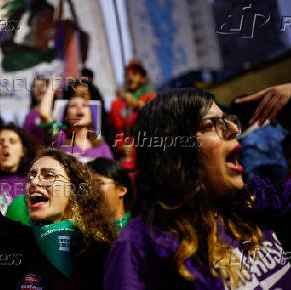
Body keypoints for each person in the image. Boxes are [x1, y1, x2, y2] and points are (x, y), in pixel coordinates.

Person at [0, 55, 115, 289]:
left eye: (48, 175)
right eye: (31, 176)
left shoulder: (101, 251)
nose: (34, 181)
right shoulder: (14, 240)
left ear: (75, 189)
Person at [104, 88, 291, 289]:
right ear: (174, 151)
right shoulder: (138, 247)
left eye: (228, 121)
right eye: (211, 125)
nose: (235, 130)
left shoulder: (257, 203)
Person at [39, 78, 113, 162]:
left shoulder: (101, 146)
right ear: (66, 117)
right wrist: (51, 87)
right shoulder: (59, 139)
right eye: (73, 106)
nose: (79, 108)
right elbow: (44, 114)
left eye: (84, 105)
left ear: (91, 116)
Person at [109, 59, 155, 168]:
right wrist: (121, 146)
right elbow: (113, 132)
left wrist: (138, 105)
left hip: (148, 154)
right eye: (127, 74)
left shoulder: (151, 98)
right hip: (125, 158)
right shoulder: (116, 104)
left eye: (134, 74)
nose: (130, 77)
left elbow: (155, 121)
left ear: (142, 79)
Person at [0, 123, 39, 214]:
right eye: (0, 142)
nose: (5, 145)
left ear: (23, 151)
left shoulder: (34, 183)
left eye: (12, 142)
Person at [87, 157, 133, 233]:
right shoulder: (85, 230)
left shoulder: (137, 230)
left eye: (98, 183)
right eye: (88, 184)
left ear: (122, 190)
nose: (91, 189)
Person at [23, 76, 50, 144]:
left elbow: (56, 132)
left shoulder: (58, 110)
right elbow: (26, 137)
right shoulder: (30, 115)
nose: (39, 89)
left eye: (42, 85)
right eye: (35, 87)